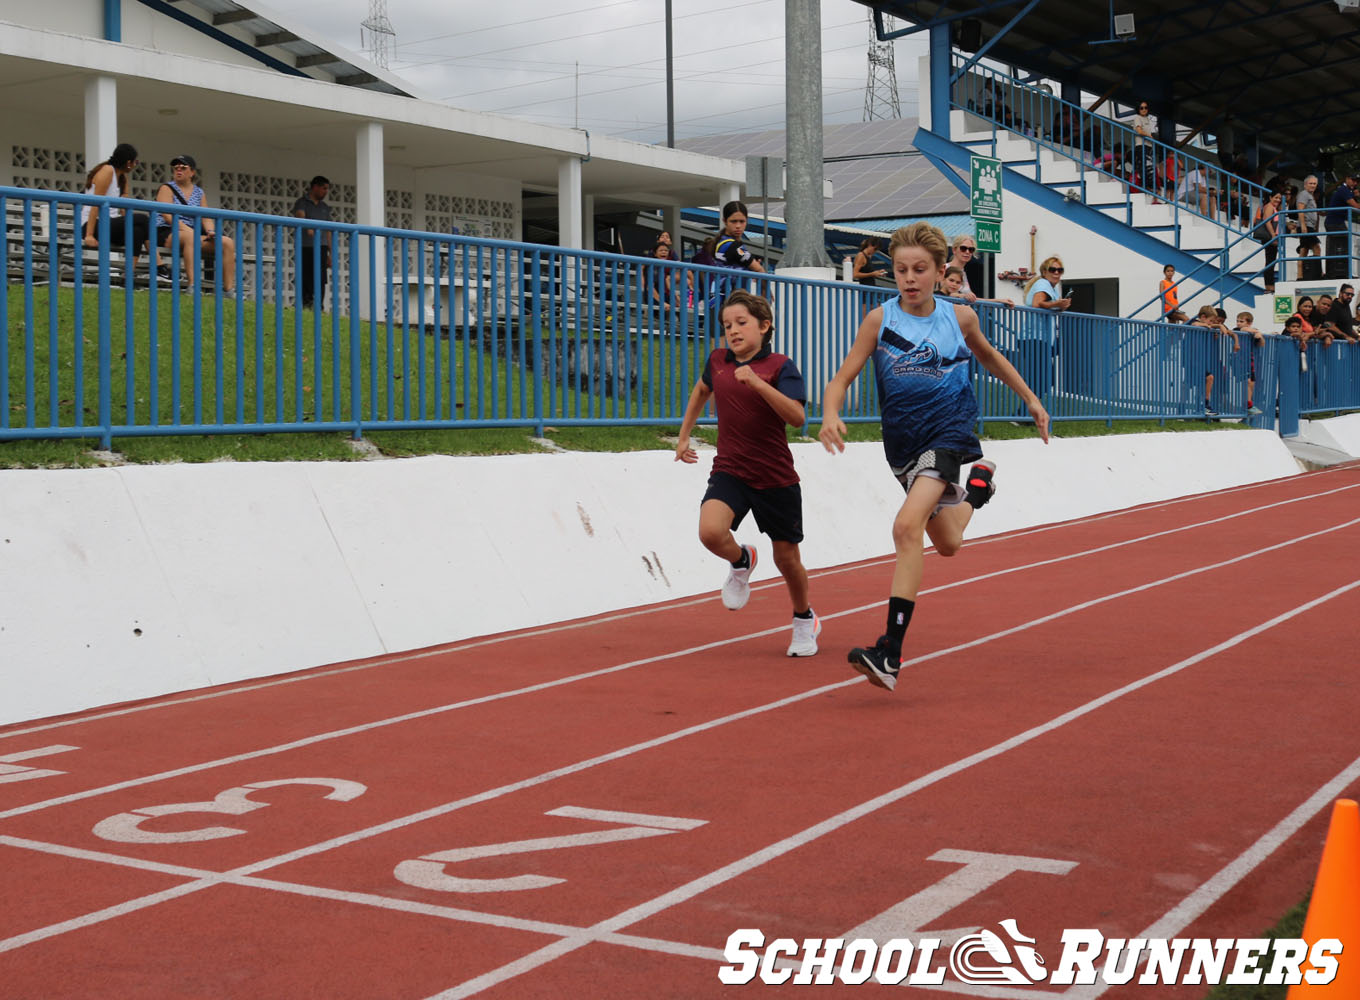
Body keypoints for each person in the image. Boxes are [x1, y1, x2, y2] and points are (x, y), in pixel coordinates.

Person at [816, 221, 1051, 691]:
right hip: (902, 445)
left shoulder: (959, 318)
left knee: (905, 528)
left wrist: (1030, 398)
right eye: (901, 269)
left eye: (920, 269)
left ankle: (889, 653)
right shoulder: (879, 321)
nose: (909, 278)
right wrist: (829, 413)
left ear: (940, 271)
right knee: (946, 543)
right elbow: (842, 376)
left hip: (948, 435)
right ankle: (977, 494)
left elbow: (989, 357)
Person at [673, 289, 819, 658]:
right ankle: (741, 560)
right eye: (727, 326)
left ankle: (804, 620)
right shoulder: (718, 360)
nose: (733, 332)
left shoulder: (781, 366)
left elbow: (798, 417)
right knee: (709, 531)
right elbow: (701, 390)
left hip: (775, 477)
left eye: (741, 323)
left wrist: (756, 382)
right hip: (731, 469)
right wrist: (684, 434)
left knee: (787, 560)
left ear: (764, 326)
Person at [154, 154, 236, 294]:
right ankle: (193, 284)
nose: (178, 171)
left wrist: (210, 231)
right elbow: (167, 216)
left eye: (183, 168)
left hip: (191, 234)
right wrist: (188, 231)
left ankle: (228, 290)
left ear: (192, 172)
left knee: (227, 242)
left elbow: (205, 217)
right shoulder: (166, 188)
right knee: (190, 237)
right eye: (176, 168)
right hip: (168, 231)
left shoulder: (199, 192)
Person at [80, 142, 151, 262]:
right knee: (143, 219)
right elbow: (95, 204)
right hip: (93, 225)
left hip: (110, 225)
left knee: (137, 231)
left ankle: (128, 276)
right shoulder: (107, 171)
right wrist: (89, 235)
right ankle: (158, 263)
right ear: (128, 163)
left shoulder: (122, 178)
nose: (135, 165)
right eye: (135, 162)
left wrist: (128, 221)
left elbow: (124, 210)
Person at [1188, 304, 1239, 415]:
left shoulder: (1209, 326)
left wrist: (1219, 327)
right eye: (1211, 320)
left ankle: (1205, 405)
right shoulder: (1195, 322)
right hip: (1192, 361)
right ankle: (1185, 410)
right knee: (1189, 385)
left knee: (1209, 378)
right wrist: (1211, 326)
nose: (1211, 323)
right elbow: (1195, 324)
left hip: (1201, 361)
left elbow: (1229, 332)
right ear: (1203, 316)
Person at [292, 175, 333, 308]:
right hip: (306, 246)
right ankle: (305, 303)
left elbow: (328, 230)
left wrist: (330, 253)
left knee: (320, 277)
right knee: (306, 275)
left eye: (327, 189)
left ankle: (318, 304)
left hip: (321, 246)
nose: (326, 192)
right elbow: (300, 215)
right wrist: (309, 227)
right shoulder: (302, 202)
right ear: (315, 187)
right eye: (324, 188)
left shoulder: (325, 207)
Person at [1324, 175, 1359, 279]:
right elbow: (1355, 206)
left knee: (1341, 247)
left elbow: (1354, 197)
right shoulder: (1344, 190)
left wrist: (1356, 194)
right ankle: (1337, 273)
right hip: (1334, 222)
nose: (1355, 183)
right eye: (1353, 180)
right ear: (1347, 179)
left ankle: (1341, 273)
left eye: (1357, 181)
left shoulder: (1347, 190)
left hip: (1337, 222)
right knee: (1339, 247)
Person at [1252, 189, 1282, 293]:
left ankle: (1270, 285)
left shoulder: (1273, 207)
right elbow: (1267, 221)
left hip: (1271, 236)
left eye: (1279, 198)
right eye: (1276, 197)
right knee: (1270, 261)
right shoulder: (1269, 206)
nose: (1278, 200)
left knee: (1271, 261)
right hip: (1269, 237)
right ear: (1270, 197)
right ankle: (1269, 286)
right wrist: (1273, 235)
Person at [1130, 101, 1158, 198]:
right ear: (1138, 109)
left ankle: (1149, 187)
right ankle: (1145, 187)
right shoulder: (1137, 118)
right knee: (1144, 167)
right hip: (1141, 145)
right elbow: (1139, 130)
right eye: (1141, 108)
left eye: (1145, 107)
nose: (1144, 109)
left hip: (1148, 146)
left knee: (1149, 167)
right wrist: (1149, 136)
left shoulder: (1147, 119)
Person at [1297, 175, 1321, 281]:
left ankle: (1300, 275)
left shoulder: (1310, 195)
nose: (1313, 185)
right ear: (1305, 184)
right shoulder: (1304, 194)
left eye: (1314, 183)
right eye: (1310, 183)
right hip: (1306, 226)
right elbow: (1300, 209)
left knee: (1304, 250)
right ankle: (1317, 273)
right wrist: (1303, 225)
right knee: (1316, 248)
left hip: (1310, 226)